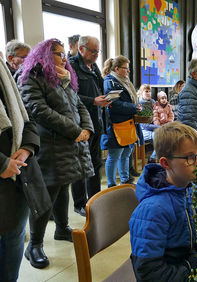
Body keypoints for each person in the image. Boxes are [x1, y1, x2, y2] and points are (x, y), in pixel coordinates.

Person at [18, 38, 94, 268]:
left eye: (63, 53)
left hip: (69, 144)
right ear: (43, 56)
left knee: (64, 188)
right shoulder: (31, 76)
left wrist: (87, 128)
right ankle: (35, 246)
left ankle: (62, 229)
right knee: (46, 196)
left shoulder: (63, 78)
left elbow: (79, 104)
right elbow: (38, 109)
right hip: (49, 146)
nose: (63, 57)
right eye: (58, 54)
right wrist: (74, 131)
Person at [129, 121, 197, 281]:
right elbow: (148, 272)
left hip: (186, 263)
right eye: (190, 157)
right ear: (165, 163)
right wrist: (191, 269)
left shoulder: (190, 189)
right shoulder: (153, 210)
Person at [0, 56, 47, 281]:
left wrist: (27, 148)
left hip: (16, 178)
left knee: (13, 240)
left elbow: (26, 120)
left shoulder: (3, 70)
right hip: (5, 170)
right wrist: (2, 164)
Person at [69, 36, 110, 216]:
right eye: (92, 51)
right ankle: (79, 204)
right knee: (80, 166)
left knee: (95, 163)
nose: (95, 55)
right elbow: (70, 97)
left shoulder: (94, 67)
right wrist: (93, 101)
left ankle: (94, 200)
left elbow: (100, 90)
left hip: (97, 122)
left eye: (97, 51)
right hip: (81, 126)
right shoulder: (71, 67)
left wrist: (106, 98)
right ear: (81, 49)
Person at [101, 55, 142, 187]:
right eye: (126, 68)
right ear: (117, 69)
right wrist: (134, 107)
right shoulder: (110, 82)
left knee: (126, 152)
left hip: (128, 122)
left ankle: (125, 179)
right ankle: (111, 184)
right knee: (114, 155)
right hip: (116, 124)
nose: (128, 71)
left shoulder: (123, 80)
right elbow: (114, 104)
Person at [138, 84, 159, 163]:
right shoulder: (139, 104)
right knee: (158, 137)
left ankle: (154, 158)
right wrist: (159, 127)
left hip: (154, 127)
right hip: (143, 129)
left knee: (166, 137)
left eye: (150, 91)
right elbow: (143, 125)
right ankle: (152, 160)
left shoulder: (153, 102)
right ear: (141, 93)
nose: (149, 93)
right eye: (146, 91)